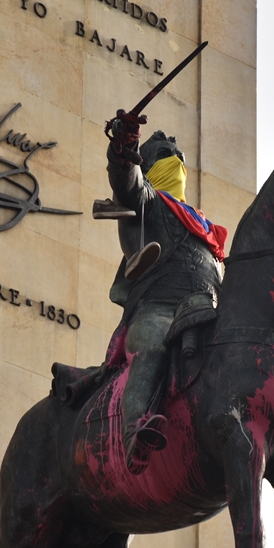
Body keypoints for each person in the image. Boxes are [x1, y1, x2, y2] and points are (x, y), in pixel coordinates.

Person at [95, 116, 227, 472]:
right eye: (164, 155)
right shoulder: (148, 201)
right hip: (158, 310)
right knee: (152, 340)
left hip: (207, 314)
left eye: (176, 155)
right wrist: (124, 146)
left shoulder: (206, 228)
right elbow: (125, 180)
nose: (173, 159)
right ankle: (135, 430)